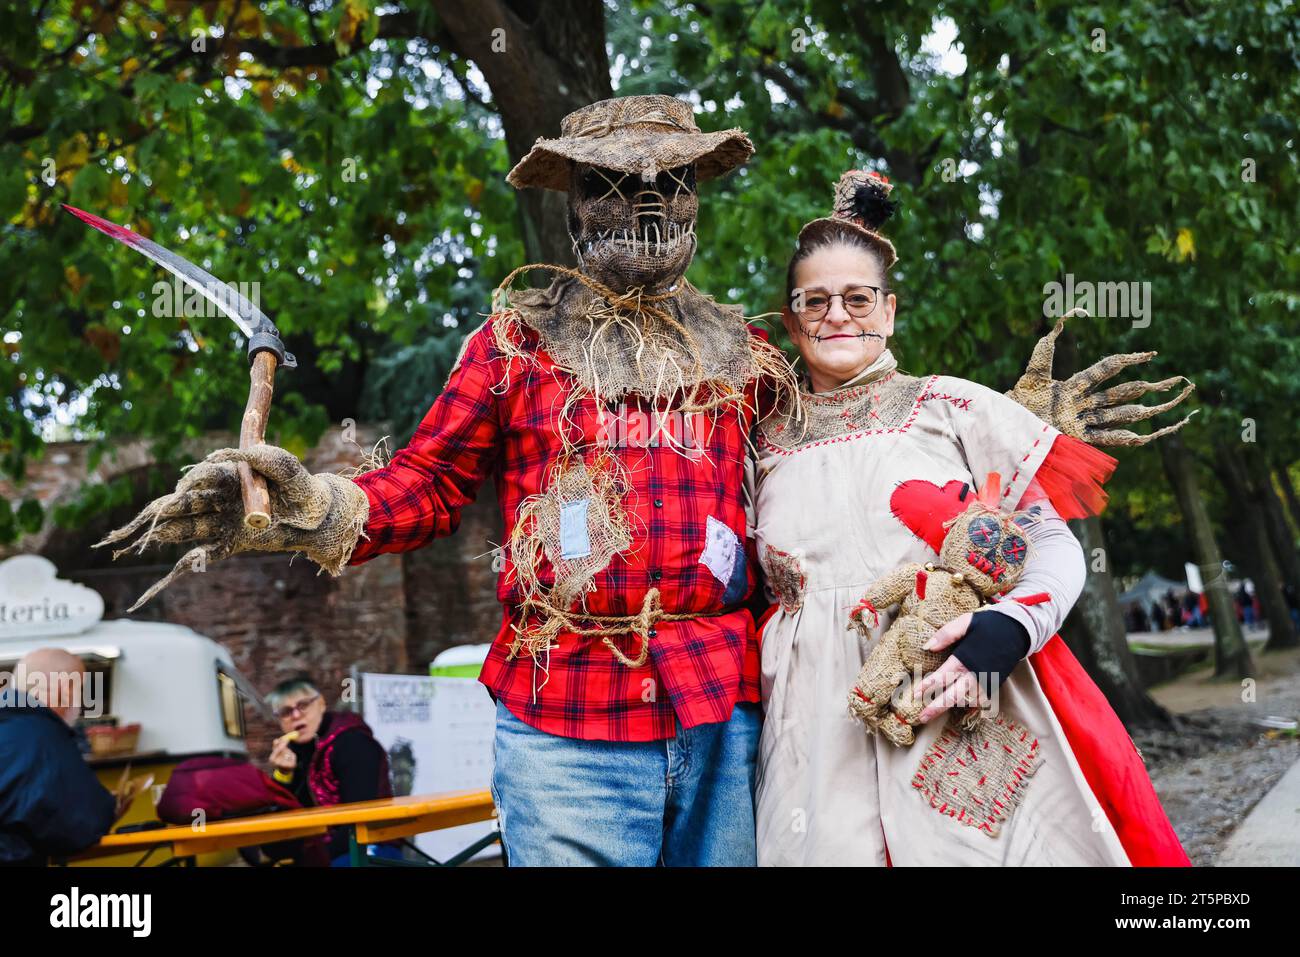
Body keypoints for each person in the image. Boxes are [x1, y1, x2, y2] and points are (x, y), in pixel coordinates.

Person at [96, 98, 1190, 867]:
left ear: (700, 203)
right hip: (565, 712)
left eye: (669, 184)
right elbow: (424, 484)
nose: (644, 206)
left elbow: (850, 431)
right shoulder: (516, 340)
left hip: (728, 713)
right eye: (613, 188)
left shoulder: (746, 357)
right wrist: (309, 509)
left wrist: (1000, 433)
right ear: (573, 208)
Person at [750, 169, 1189, 866]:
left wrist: (1006, 628)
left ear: (889, 312)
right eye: (817, 300)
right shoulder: (757, 445)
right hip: (811, 736)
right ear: (792, 315)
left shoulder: (952, 408)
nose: (838, 315)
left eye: (858, 299)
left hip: (959, 702)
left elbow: (1054, 545)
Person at [0, 648, 116, 865]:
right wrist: (111, 806)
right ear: (65, 688)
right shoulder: (43, 738)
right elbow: (80, 825)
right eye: (80, 690)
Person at [264, 677, 393, 866]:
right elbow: (279, 828)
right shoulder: (294, 755)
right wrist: (283, 775)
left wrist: (314, 860)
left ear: (321, 704)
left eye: (303, 705)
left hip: (370, 848)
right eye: (286, 712)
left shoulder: (351, 742)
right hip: (326, 851)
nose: (296, 715)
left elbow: (358, 819)